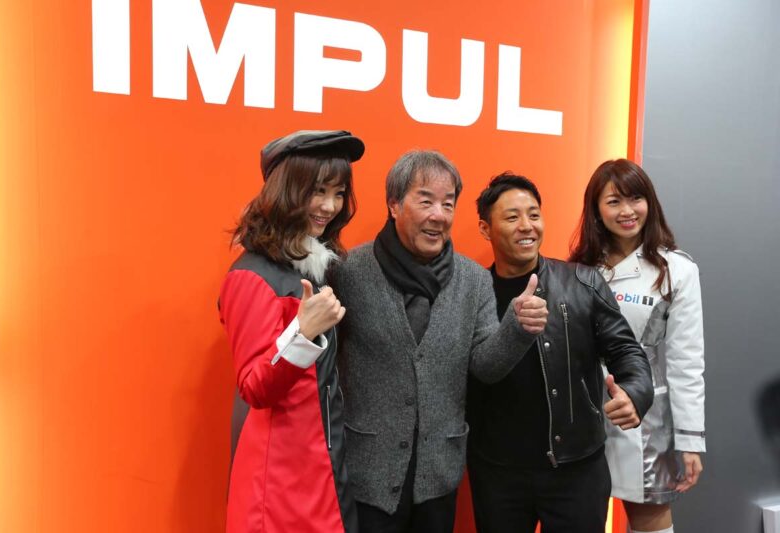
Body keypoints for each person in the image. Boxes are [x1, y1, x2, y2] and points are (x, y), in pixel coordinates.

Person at [328, 151, 548, 533]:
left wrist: (516, 329)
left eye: (448, 204)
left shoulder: (473, 280)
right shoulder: (348, 272)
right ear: (394, 205)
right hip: (367, 473)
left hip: (438, 474)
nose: (439, 215)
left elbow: (485, 366)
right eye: (426, 201)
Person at [466, 172, 654, 533]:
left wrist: (635, 392)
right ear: (485, 229)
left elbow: (626, 350)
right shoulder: (473, 292)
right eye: (512, 217)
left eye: (534, 215)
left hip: (576, 468)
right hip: (498, 473)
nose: (527, 226)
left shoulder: (583, 282)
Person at [218, 130, 365, 533]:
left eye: (338, 193)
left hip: (323, 470)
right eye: (318, 191)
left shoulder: (312, 269)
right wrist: (302, 333)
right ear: (287, 191)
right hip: (279, 486)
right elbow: (254, 386)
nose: (330, 206)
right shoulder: (251, 276)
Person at [569, 159, 705, 533]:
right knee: (579, 517)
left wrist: (689, 440)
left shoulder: (676, 270)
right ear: (596, 209)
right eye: (614, 201)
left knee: (650, 521)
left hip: (647, 417)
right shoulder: (579, 268)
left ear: (650, 202)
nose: (627, 211)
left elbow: (686, 362)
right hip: (582, 412)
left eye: (635, 199)